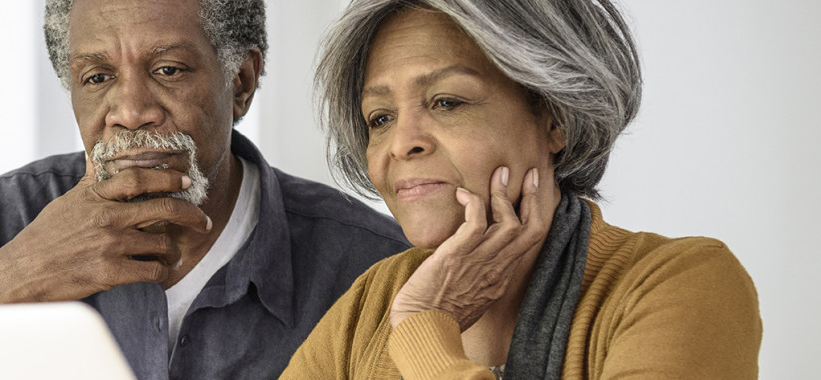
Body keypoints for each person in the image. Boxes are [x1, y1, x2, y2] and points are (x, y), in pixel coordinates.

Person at [0, 0, 410, 379]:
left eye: (168, 70)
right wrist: (3, 292)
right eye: (97, 77)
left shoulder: (370, 264)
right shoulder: (2, 224)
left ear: (242, 82)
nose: (131, 111)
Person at [281, 0, 763, 379]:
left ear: (555, 117)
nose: (402, 143)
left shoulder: (681, 283)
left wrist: (426, 325)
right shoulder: (371, 303)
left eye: (447, 102)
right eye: (381, 118)